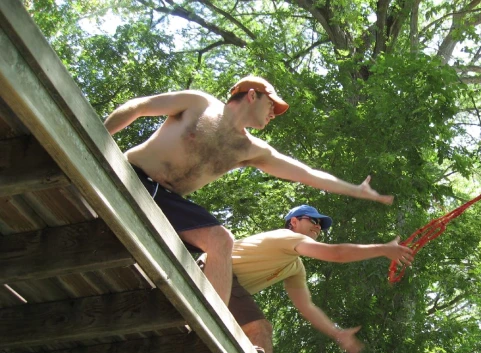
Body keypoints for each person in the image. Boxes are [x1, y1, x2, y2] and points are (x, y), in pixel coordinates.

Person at [104, 76, 394, 304]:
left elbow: (305, 173)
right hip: (132, 175)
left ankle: (212, 323)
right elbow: (140, 106)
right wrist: (99, 140)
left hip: (168, 202)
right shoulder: (198, 104)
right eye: (271, 104)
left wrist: (356, 190)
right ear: (252, 95)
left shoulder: (251, 149)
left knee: (220, 241)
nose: (274, 113)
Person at [230, 205, 415, 353]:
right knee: (259, 329)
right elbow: (337, 254)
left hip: (227, 289)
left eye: (320, 224)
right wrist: (383, 249)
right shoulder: (286, 236)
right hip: (215, 270)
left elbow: (307, 308)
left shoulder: (294, 267)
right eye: (313, 220)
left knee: (251, 335)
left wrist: (337, 333)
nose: (318, 226)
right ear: (293, 222)